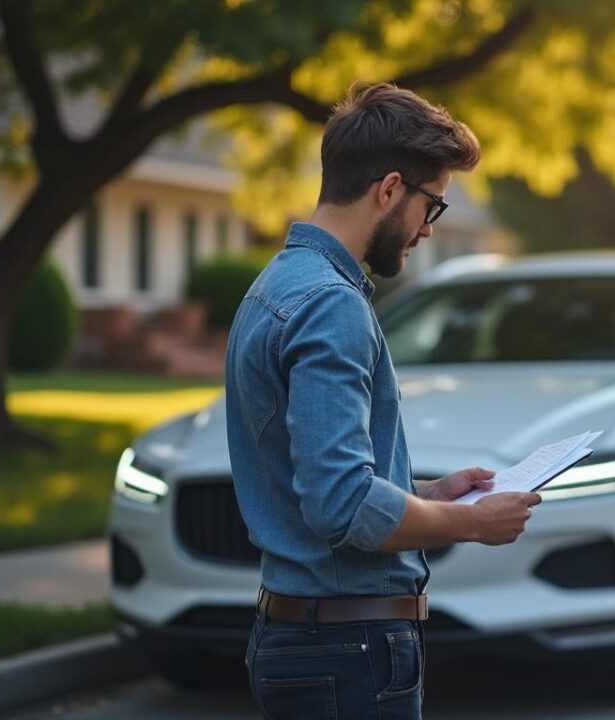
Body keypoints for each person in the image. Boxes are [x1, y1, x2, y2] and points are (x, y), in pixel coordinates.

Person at [225, 82, 541, 720]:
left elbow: (315, 477)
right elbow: (343, 505)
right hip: (348, 652)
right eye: (433, 206)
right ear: (390, 189)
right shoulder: (332, 305)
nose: (428, 228)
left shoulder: (277, 284)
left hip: (310, 641)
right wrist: (473, 523)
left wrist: (427, 492)